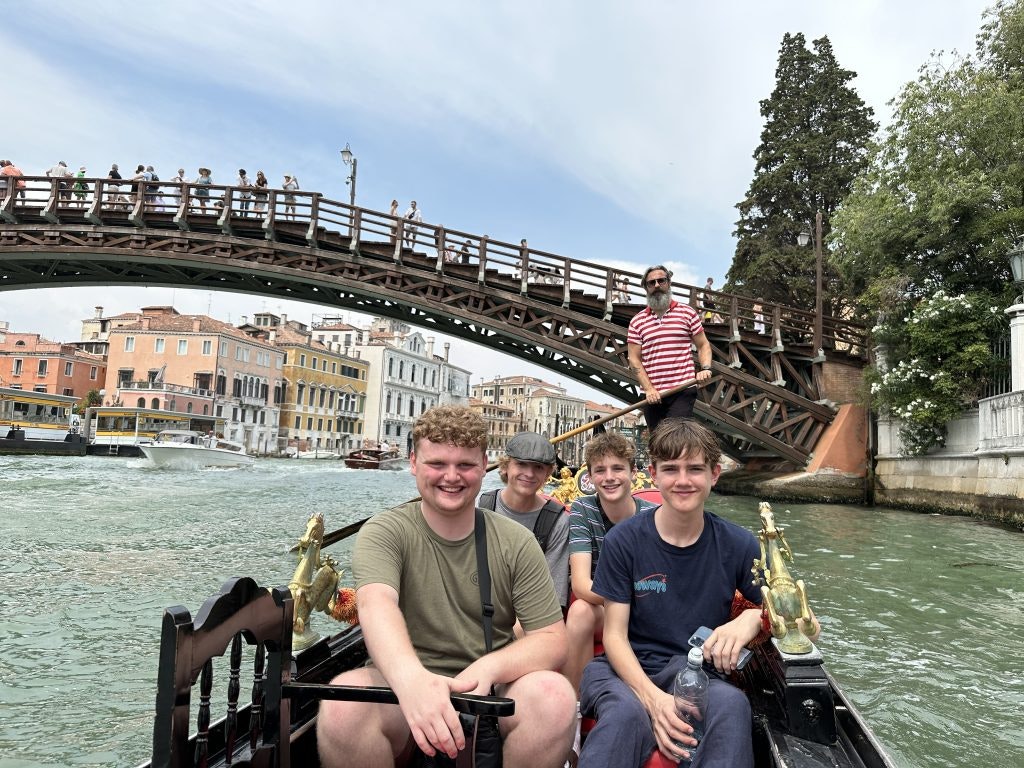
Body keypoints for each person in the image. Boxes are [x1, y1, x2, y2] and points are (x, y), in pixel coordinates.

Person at [316, 406, 575, 767]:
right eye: (437, 463)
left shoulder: (516, 542)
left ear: (484, 465)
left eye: (465, 465)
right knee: (343, 706)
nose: (451, 477)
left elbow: (551, 638)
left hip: (490, 690)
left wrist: (489, 669)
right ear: (413, 462)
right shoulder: (385, 532)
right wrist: (412, 682)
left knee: (555, 696)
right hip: (400, 685)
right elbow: (377, 604)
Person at [578, 419, 767, 768]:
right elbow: (615, 636)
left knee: (733, 706)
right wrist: (653, 700)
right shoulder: (624, 541)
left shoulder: (739, 543)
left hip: (696, 671)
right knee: (624, 716)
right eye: (671, 469)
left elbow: (802, 621)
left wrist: (752, 617)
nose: (682, 481)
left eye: (694, 469)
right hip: (625, 669)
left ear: (714, 473)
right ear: (653, 474)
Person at [563, 432, 658, 693]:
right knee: (580, 611)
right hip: (607, 604)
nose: (609, 477)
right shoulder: (583, 510)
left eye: (618, 468)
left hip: (647, 605)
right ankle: (577, 704)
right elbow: (581, 585)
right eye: (600, 470)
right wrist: (625, 604)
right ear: (590, 477)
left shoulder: (654, 515)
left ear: (634, 472)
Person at [477, 431, 572, 611]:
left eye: (538, 467)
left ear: (547, 474)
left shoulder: (558, 522)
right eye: (521, 464)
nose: (529, 474)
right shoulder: (479, 506)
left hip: (529, 617)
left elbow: (550, 600)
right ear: (505, 467)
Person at [627, 265, 713, 436]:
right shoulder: (637, 322)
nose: (657, 285)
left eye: (661, 280)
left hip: (682, 389)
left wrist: (705, 368)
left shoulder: (687, 313)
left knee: (675, 440)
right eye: (652, 283)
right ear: (646, 288)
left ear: (669, 283)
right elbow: (634, 359)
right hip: (652, 394)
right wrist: (649, 389)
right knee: (658, 444)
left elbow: (703, 345)